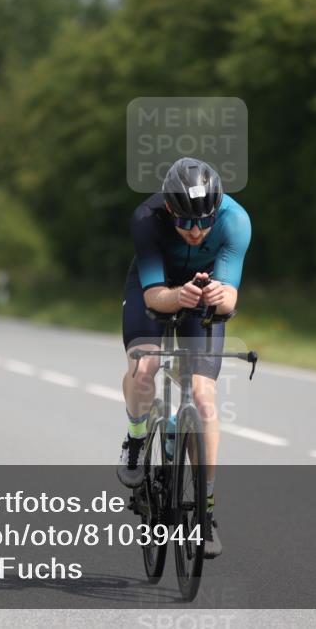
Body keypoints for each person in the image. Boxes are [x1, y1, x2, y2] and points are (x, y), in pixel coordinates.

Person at [118, 157, 251, 559]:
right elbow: (154, 295)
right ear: (170, 210)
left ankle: (206, 513)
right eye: (186, 222)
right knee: (145, 367)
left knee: (203, 397)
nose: (196, 232)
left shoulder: (235, 221)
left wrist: (217, 296)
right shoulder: (147, 217)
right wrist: (179, 296)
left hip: (204, 295)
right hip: (157, 291)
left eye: (204, 222)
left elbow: (230, 299)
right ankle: (137, 438)